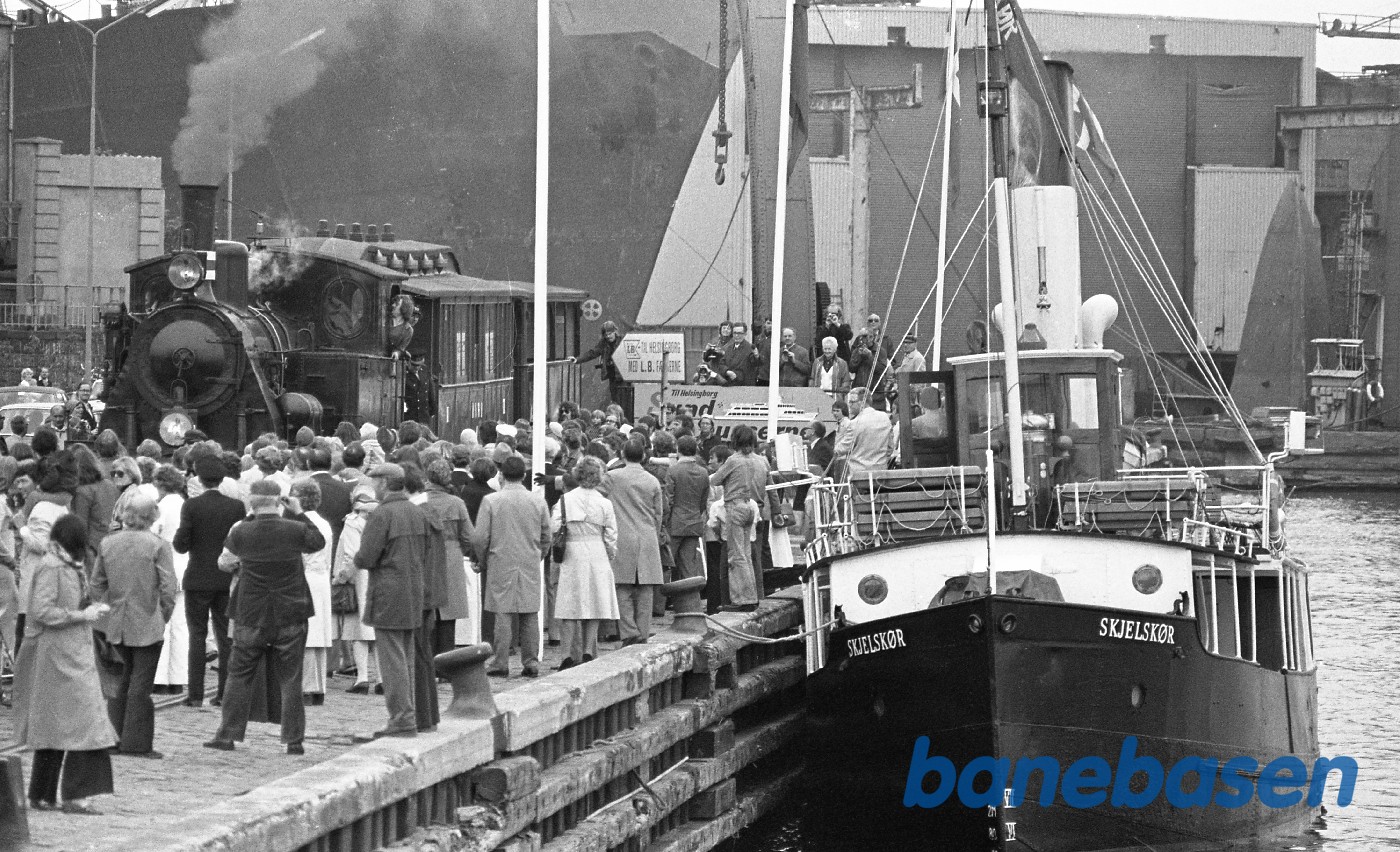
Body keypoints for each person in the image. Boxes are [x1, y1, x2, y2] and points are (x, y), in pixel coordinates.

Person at [203, 480, 325, 755]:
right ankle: (294, 739)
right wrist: (298, 512)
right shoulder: (295, 529)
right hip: (290, 609)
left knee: (239, 674)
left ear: (252, 502)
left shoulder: (241, 531)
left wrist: (251, 515)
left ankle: (228, 733)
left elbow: (226, 561)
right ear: (279, 501)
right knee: (291, 677)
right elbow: (318, 542)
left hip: (251, 611)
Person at [13, 514, 116, 814]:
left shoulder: (69, 566)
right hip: (57, 655)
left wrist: (90, 608)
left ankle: (42, 794)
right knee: (85, 725)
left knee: (58, 726)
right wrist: (82, 615)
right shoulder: (52, 566)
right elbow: (42, 611)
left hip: (72, 652)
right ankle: (76, 795)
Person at [90, 492, 177, 758]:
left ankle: (113, 738)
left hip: (116, 619)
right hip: (147, 618)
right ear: (152, 517)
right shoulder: (158, 545)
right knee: (140, 683)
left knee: (119, 681)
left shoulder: (108, 542)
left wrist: (105, 611)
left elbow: (96, 584)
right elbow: (168, 586)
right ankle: (136, 743)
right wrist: (163, 614)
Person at [353, 463, 432, 739]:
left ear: (385, 483)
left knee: (392, 661)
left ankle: (401, 718)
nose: (373, 487)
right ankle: (408, 714)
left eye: (375, 482)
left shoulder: (382, 514)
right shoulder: (417, 512)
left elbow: (366, 557)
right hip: (413, 590)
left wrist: (356, 560)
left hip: (388, 592)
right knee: (406, 657)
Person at [173, 455, 244, 707]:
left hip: (198, 576)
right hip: (225, 578)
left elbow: (181, 544)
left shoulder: (192, 506)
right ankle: (224, 693)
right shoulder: (236, 507)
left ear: (200, 480)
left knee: (197, 635)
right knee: (225, 638)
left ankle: (195, 695)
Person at [473, 456, 550, 677]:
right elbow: (546, 535)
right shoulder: (538, 501)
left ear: (502, 475)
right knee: (529, 612)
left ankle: (500, 661)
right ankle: (531, 661)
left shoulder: (491, 501)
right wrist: (539, 554)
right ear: (524, 475)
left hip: (500, 559)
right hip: (529, 560)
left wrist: (483, 559)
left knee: (502, 612)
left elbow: (480, 537)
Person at [551, 456, 618, 669]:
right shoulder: (605, 503)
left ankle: (566, 655)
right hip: (597, 551)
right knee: (594, 604)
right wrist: (610, 555)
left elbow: (554, 527)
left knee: (569, 605)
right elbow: (611, 535)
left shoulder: (565, 500)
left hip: (572, 551)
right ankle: (589, 650)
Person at [607, 437, 664, 644]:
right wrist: (655, 532)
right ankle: (643, 632)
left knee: (622, 588)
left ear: (622, 454)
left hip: (622, 536)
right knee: (646, 590)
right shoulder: (652, 480)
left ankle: (629, 631)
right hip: (647, 536)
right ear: (644, 455)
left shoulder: (612, 477)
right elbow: (659, 513)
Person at [709, 425, 769, 611]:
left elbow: (715, 480)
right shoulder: (755, 460)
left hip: (734, 506)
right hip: (749, 506)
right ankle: (752, 596)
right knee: (747, 555)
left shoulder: (733, 460)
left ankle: (741, 599)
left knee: (736, 556)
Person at [421, 459, 474, 655]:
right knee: (448, 617)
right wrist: (470, 554)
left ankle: (427, 660)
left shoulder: (419, 502)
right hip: (451, 556)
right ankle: (445, 661)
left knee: (426, 613)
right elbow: (469, 537)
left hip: (425, 556)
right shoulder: (456, 503)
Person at [290, 479, 333, 705]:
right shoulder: (324, 522)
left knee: (306, 634)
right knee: (319, 635)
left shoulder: (301, 523)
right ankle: (318, 687)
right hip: (321, 579)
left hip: (306, 578)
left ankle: (306, 686)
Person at [334, 487, 380, 694]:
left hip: (359, 578)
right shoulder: (383, 518)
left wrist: (341, 577)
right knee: (378, 629)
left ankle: (362, 677)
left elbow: (351, 555)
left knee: (358, 630)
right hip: (380, 575)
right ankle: (381, 679)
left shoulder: (352, 522)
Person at [149, 465, 189, 696]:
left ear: (160, 483)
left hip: (164, 568)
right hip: (184, 566)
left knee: (162, 622)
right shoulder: (184, 504)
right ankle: (178, 677)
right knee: (180, 626)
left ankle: (159, 677)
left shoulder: (162, 506)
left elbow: (154, 534)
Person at [666, 435, 710, 616]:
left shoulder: (673, 471)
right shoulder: (703, 472)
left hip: (675, 523)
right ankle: (691, 606)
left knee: (667, 563)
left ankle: (660, 606)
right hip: (694, 521)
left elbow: (669, 500)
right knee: (689, 566)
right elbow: (703, 501)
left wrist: (665, 522)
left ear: (678, 450)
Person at [835, 387, 896, 477]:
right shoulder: (885, 418)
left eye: (851, 402)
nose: (849, 406)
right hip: (881, 472)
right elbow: (890, 447)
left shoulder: (854, 423)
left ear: (862, 402)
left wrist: (840, 429)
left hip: (859, 475)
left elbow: (839, 450)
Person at [576, 321, 627, 406]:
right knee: (615, 400)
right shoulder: (604, 343)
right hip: (613, 376)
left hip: (624, 376)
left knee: (625, 400)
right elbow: (592, 353)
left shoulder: (623, 341)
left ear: (615, 332)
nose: (608, 336)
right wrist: (577, 360)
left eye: (610, 334)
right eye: (606, 335)